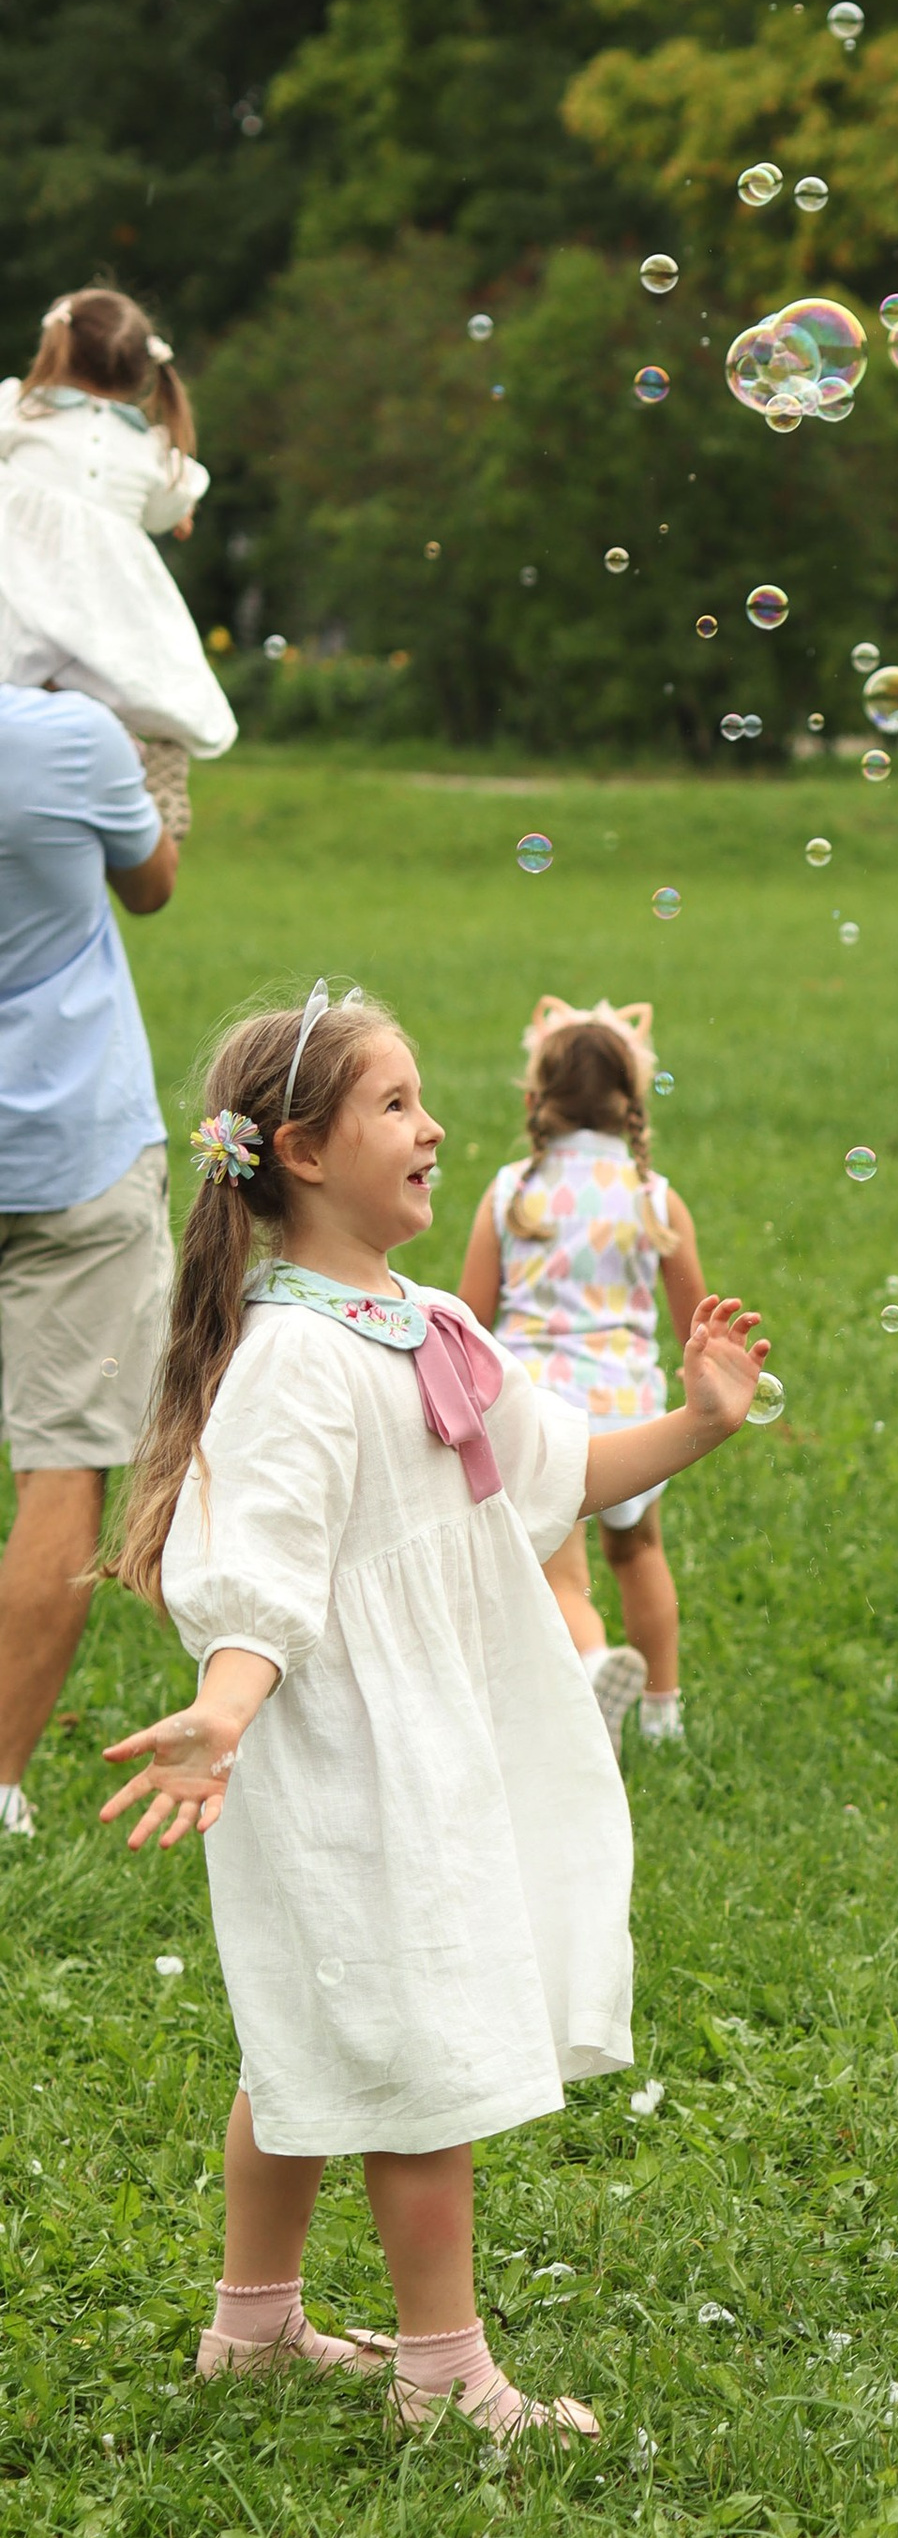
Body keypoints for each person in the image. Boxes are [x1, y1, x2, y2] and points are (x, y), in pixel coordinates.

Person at [96, 983, 766, 2440]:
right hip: (345, 1752)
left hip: (431, 1735)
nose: (435, 1124)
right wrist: (224, 1709)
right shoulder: (292, 1360)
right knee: (412, 2047)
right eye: (396, 1103)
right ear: (301, 1152)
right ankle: (445, 2373)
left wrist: (702, 1419)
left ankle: (252, 2331)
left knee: (311, 2037)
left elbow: (552, 1470)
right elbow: (258, 1574)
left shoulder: (430, 1320)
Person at [0, 680, 183, 1838]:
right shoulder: (69, 737)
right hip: (74, 1153)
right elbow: (153, 883)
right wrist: (149, 751)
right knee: (63, 1466)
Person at [457, 996, 705, 1750]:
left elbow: (470, 1315)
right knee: (639, 1552)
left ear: (535, 1102)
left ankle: (594, 1661)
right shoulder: (655, 1198)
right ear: (632, 1103)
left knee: (558, 1573)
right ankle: (663, 1713)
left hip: (541, 1415)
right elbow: (696, 1318)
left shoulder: (511, 1192)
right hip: (633, 1411)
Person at [0, 289, 238, 841]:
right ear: (143, 372)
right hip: (107, 624)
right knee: (141, 682)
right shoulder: (154, 452)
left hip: (22, 609)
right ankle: (156, 771)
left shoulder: (18, 409)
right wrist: (179, 511)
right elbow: (170, 510)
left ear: (55, 347)